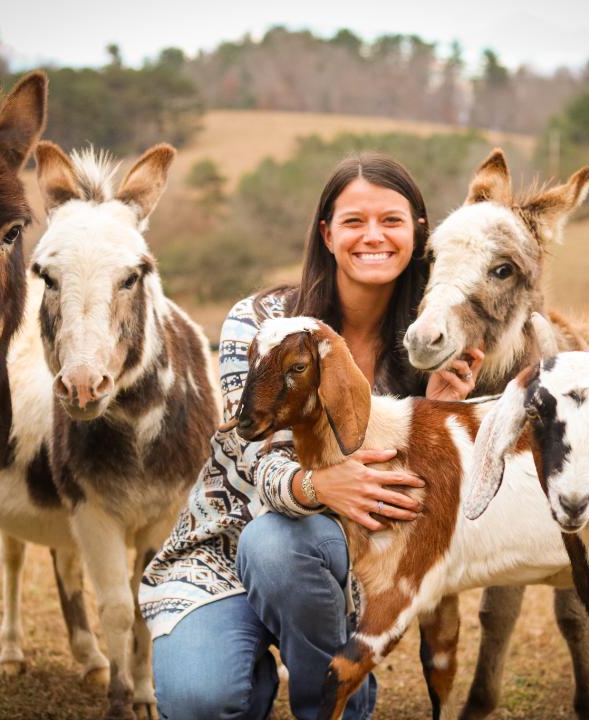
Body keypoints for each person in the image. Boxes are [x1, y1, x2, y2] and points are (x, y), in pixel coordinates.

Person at [142, 152, 483, 719]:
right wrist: (318, 486)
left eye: (392, 221)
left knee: (281, 545)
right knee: (203, 700)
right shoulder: (261, 322)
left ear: (419, 233)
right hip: (224, 552)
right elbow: (257, 455)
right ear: (326, 234)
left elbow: (419, 502)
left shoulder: (431, 342)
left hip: (338, 571)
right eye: (353, 221)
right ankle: (244, 669)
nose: (373, 236)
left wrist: (438, 416)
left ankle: (329, 707)